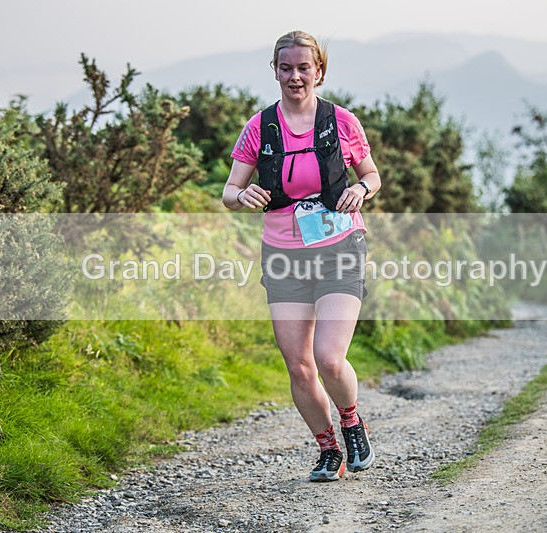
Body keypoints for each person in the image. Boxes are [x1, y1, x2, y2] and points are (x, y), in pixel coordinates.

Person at [222, 30, 382, 482]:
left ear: (319, 71)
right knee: (298, 364)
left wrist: (359, 187)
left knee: (329, 357)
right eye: (286, 68)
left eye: (303, 67)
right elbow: (229, 191)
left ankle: (351, 420)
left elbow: (371, 176)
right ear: (274, 71)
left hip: (339, 246)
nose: (295, 76)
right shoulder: (260, 127)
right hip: (284, 253)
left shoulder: (341, 121)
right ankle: (328, 448)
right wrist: (243, 194)